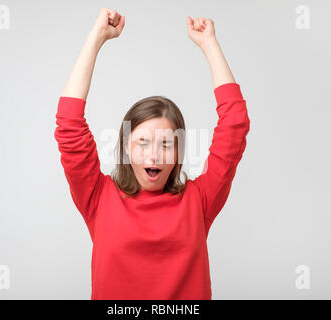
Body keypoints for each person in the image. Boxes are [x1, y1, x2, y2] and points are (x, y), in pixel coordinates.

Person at [54, 8, 251, 300]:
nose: (154, 155)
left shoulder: (199, 201)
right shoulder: (98, 197)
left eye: (166, 144)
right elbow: (69, 124)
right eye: (143, 142)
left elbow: (234, 125)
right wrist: (96, 38)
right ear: (125, 147)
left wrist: (210, 45)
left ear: (179, 152)